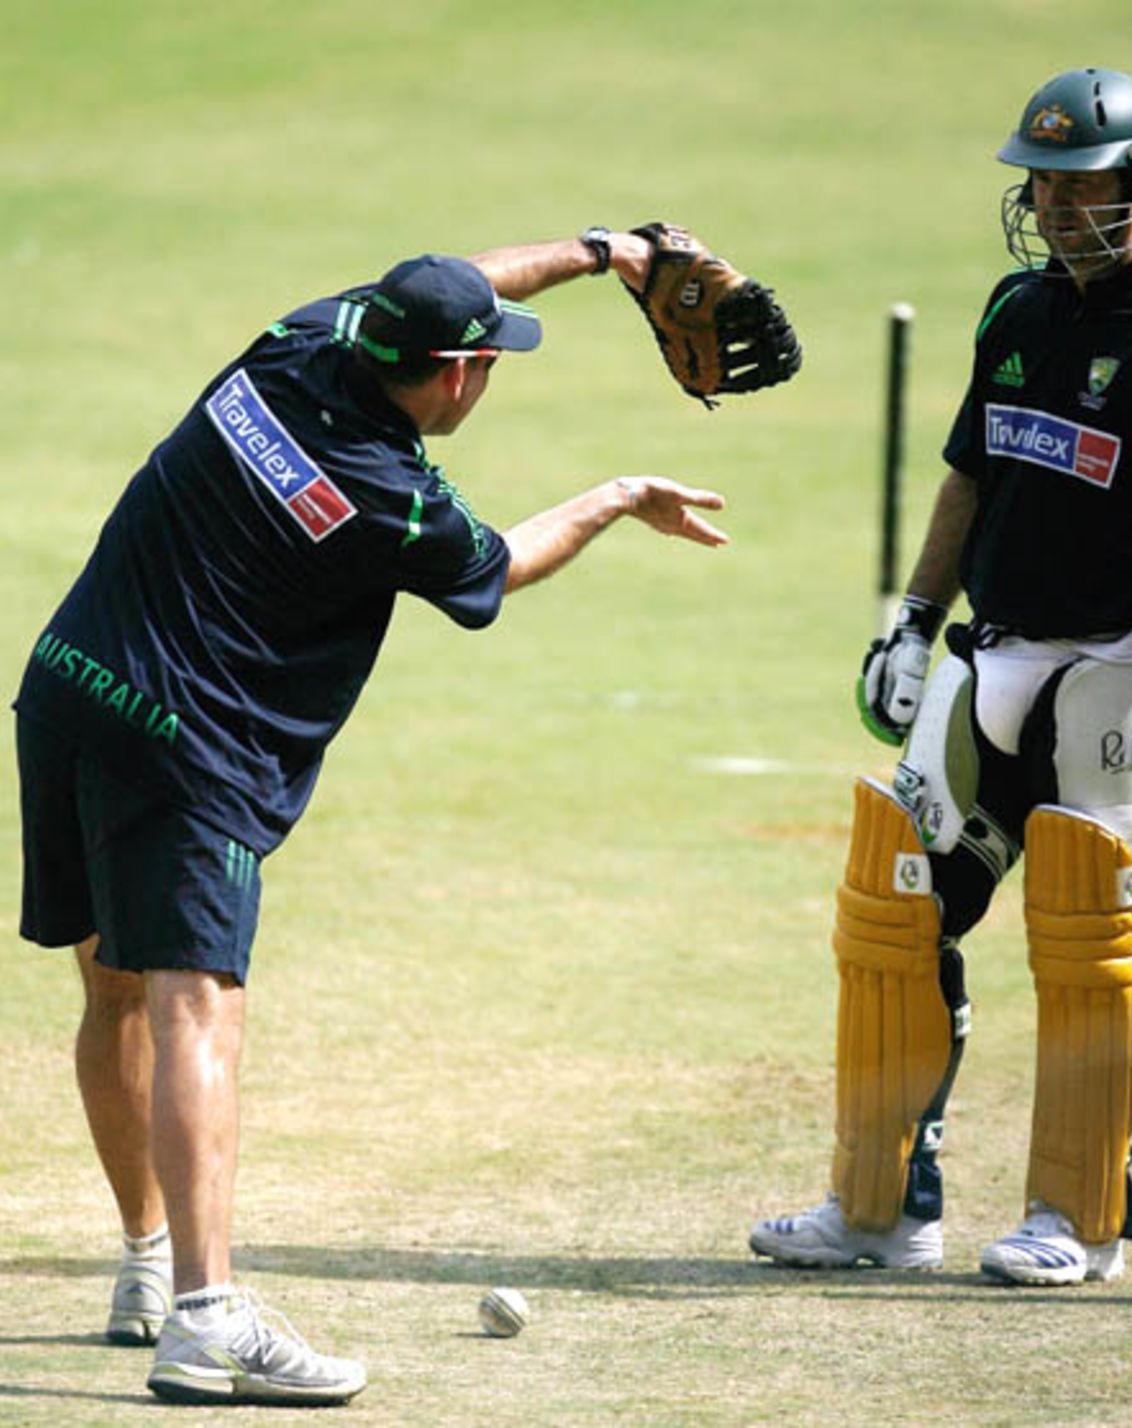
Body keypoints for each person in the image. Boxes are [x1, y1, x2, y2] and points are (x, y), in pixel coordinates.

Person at [14, 227, 730, 1406]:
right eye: (488, 363)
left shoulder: (297, 344)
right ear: (455, 378)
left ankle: (147, 1266)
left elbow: (456, 284)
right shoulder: (390, 498)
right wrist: (613, 498)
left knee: (113, 990)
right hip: (192, 751)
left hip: (73, 684)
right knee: (199, 1011)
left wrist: (606, 252)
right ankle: (204, 1317)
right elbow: (495, 566)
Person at [749, 68, 1132, 1286]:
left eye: (1073, 181)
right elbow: (969, 476)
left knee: (1088, 938)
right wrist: (913, 620)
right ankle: (879, 1209)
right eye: (1035, 180)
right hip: (992, 659)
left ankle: (1077, 1222)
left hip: (1117, 667)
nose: (1044, 203)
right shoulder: (1014, 310)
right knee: (893, 915)